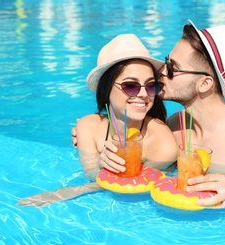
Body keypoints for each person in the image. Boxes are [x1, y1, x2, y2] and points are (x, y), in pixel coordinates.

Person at [86, 20, 225, 208]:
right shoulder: (175, 126)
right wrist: (103, 156)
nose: (161, 71)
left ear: (204, 84)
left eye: (173, 68)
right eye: (166, 62)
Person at [17, 34, 178, 207]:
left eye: (151, 86)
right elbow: (89, 172)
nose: (144, 94)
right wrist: (100, 167)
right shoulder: (88, 127)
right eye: (131, 86)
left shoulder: (163, 144)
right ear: (107, 88)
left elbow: (136, 186)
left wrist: (70, 192)